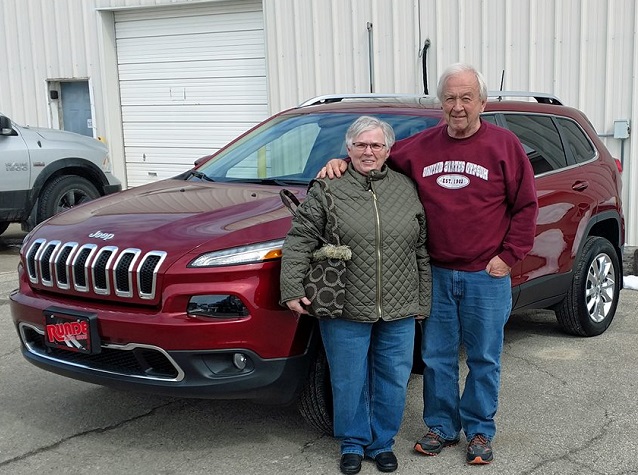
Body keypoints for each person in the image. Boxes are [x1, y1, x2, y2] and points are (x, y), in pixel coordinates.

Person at [319, 63, 538, 465]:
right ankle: (441, 426)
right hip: (435, 273)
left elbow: (526, 207)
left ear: (482, 102)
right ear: (441, 103)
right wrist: (340, 163)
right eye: (450, 98)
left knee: (483, 359)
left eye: (466, 97)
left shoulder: (504, 146)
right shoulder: (419, 147)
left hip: (484, 275)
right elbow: (373, 156)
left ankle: (479, 431)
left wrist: (508, 258)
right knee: (437, 358)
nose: (458, 106)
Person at [280, 116, 431, 474]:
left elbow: (421, 249)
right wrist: (292, 287)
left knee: (393, 377)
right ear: (347, 149)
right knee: (348, 377)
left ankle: (381, 444)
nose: (368, 151)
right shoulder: (328, 188)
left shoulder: (405, 188)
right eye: (361, 145)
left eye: (376, 145)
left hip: (399, 305)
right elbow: (300, 239)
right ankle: (352, 441)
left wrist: (423, 301)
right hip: (344, 302)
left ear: (388, 150)